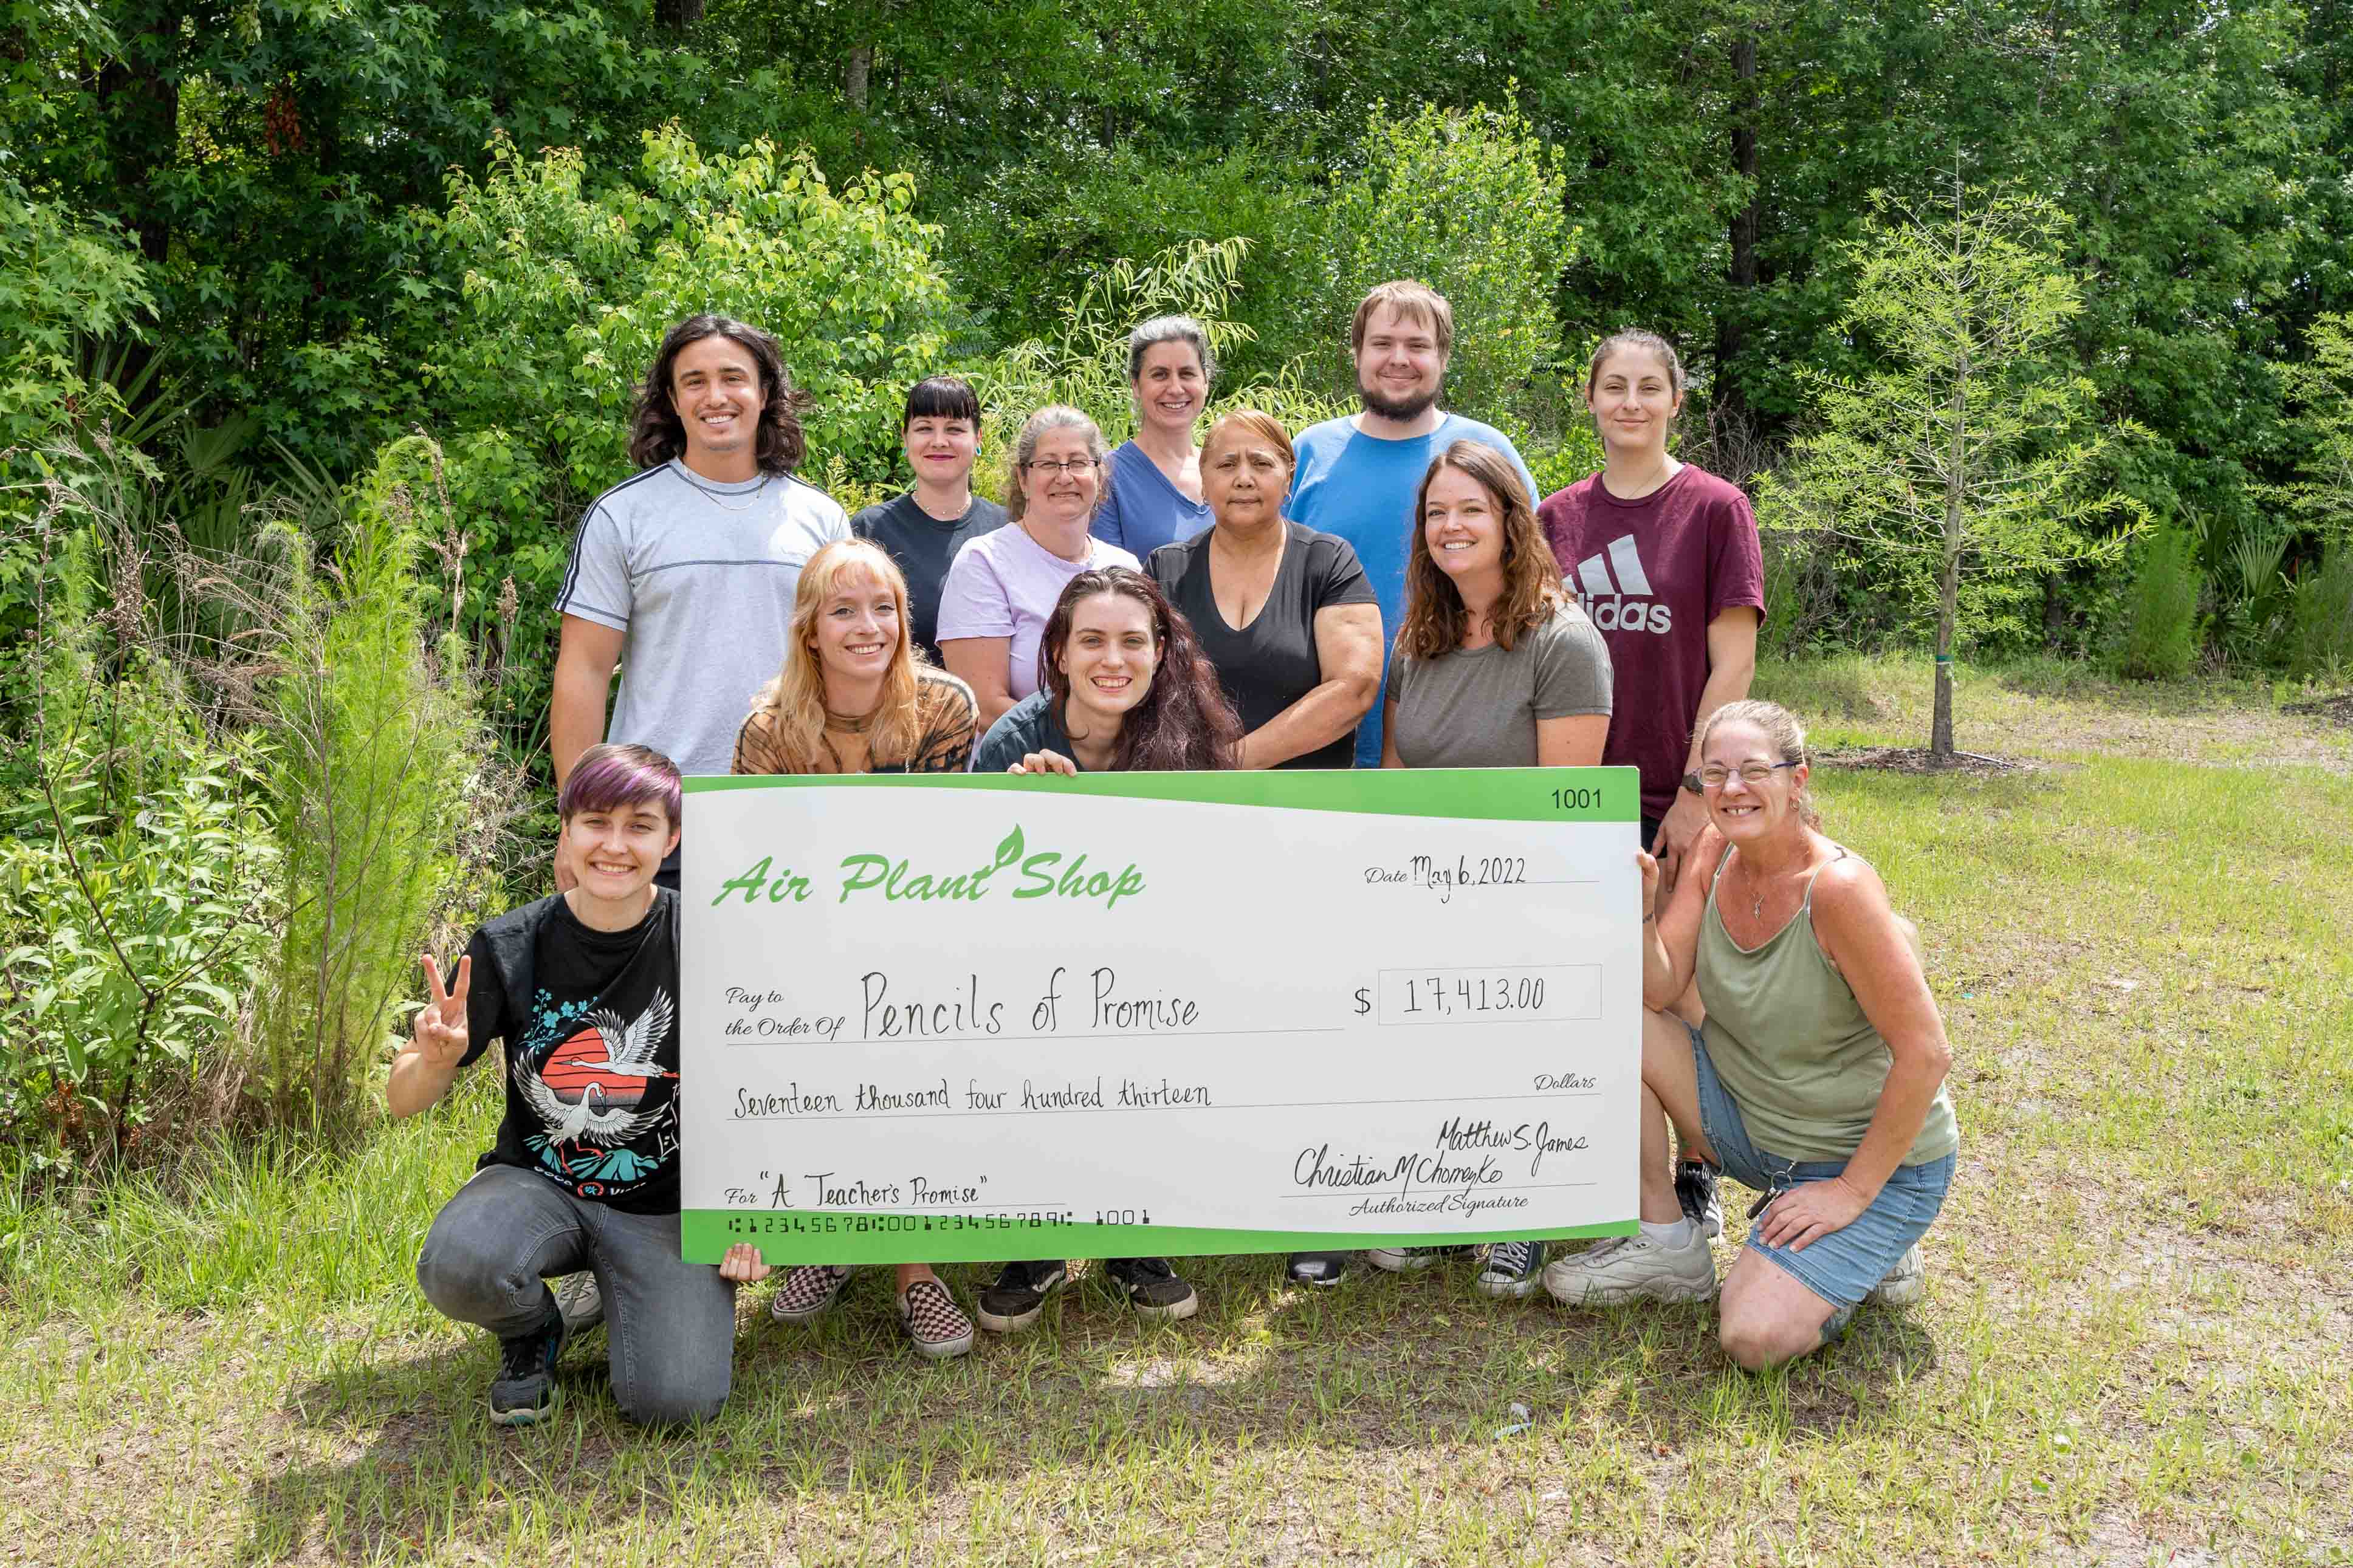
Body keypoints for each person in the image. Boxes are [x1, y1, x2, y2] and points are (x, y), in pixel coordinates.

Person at [1285, 443, 1616, 1292]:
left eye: (1470, 509)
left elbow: (1566, 815)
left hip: (1528, 896)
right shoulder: (1418, 640)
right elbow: (1397, 777)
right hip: (1425, 887)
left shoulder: (1564, 642)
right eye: (1437, 514)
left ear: (1511, 521)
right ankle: (1441, 1194)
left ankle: (1529, 1209)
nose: (1451, 527)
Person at [1542, 701, 1960, 1371]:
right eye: (1714, 773)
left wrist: (1849, 1191)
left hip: (1867, 1160)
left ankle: (1872, 1232)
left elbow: (1927, 1053)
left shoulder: (1839, 888)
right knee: (1606, 1013)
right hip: (1756, 1130)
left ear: (1797, 779)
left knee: (1751, 1338)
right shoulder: (1715, 848)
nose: (1731, 788)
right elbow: (1656, 987)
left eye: (1752, 770)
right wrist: (1643, 913)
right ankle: (1665, 1241)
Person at [395, 744, 772, 1426]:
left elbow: (770, 1083)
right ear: (566, 828)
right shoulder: (510, 944)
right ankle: (531, 1331)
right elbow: (400, 1099)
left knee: (676, 1402)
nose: (615, 846)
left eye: (640, 825)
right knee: (459, 1261)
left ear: (673, 837)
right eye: (596, 822)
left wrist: (749, 1215)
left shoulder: (716, 935)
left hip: (668, 1208)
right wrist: (435, 1059)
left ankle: (614, 1288)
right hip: (541, 1184)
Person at [969, 567, 1242, 1332]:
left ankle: (1132, 1240)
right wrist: (1021, 821)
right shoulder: (1013, 742)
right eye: (1090, 639)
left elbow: (1216, 884)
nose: (1111, 658)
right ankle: (1038, 1242)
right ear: (1056, 651)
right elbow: (964, 897)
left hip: (1154, 966)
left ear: (1161, 651)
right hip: (1027, 972)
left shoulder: (1193, 740)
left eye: (1131, 640)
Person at [726, 539, 981, 1355]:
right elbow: (761, 865)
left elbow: (949, 843)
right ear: (810, 629)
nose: (867, 626)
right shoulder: (767, 731)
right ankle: (834, 1237)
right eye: (843, 610)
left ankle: (915, 1271)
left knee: (912, 1074)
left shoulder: (945, 707)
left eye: (884, 608)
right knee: (824, 1072)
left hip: (925, 931)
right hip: (810, 937)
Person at [551, 313, 852, 876]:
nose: (716, 396)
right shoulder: (623, 516)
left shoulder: (821, 519)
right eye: (695, 381)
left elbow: (855, 669)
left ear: (765, 392)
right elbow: (584, 672)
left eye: (733, 377)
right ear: (672, 397)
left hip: (795, 812)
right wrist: (577, 820)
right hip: (650, 819)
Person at [1536, 330, 1763, 895]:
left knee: (1668, 979)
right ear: (1589, 398)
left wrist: (1695, 792)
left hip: (1669, 797)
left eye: (1649, 388)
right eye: (1614, 387)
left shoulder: (1718, 510)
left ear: (1676, 401)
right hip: (1571, 793)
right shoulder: (1554, 516)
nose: (1631, 402)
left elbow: (1733, 669)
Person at [1284, 280, 1541, 767]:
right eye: (1382, 343)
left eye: (1418, 345)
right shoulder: (1308, 455)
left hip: (1462, 745)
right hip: (1317, 746)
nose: (1398, 358)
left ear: (1443, 357)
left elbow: (1535, 583)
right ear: (1357, 353)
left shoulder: (1488, 453)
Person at [1144, 410, 1383, 769]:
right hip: (1187, 800)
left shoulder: (1329, 561)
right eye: (1226, 465)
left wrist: (1230, 764)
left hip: (1309, 807)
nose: (1244, 479)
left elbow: (1354, 687)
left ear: (1288, 479)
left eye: (1261, 463)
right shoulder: (1165, 569)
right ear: (1204, 482)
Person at [938, 406, 1139, 733]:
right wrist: (1081, 744)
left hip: (1116, 769)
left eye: (1078, 463)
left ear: (1099, 476)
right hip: (1023, 772)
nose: (1064, 476)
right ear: (1023, 478)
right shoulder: (984, 562)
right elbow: (984, 707)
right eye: (1048, 464)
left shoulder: (1124, 567)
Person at [851, 375, 1008, 667]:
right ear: (905, 439)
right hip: (895, 707)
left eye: (955, 429)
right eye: (924, 428)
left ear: (978, 439)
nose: (939, 441)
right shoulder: (869, 532)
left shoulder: (1010, 529)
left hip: (998, 710)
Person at [1091, 315, 1215, 559]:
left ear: (1206, 382)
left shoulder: (1226, 471)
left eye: (1187, 374)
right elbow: (1107, 585)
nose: (1176, 388)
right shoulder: (1107, 477)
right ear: (1136, 386)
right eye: (1160, 375)